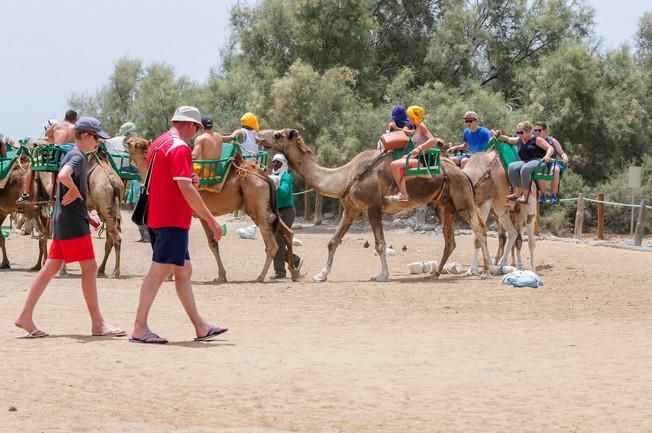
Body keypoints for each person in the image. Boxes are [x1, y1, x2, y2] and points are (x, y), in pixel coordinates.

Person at [15, 117, 124, 338]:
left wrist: (87, 213)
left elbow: (64, 183)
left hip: (66, 219)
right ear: (84, 135)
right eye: (95, 137)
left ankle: (25, 316)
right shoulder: (78, 156)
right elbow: (64, 177)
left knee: (50, 269)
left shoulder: (72, 155)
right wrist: (74, 191)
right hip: (72, 222)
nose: (97, 142)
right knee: (90, 268)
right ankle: (98, 324)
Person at [130, 106, 227, 344]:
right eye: (195, 128)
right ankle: (139, 328)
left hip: (160, 217)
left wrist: (189, 179)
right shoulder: (179, 147)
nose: (194, 133)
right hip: (171, 219)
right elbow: (186, 188)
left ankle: (200, 326)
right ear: (191, 125)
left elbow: (173, 179)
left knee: (184, 270)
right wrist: (211, 219)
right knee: (158, 272)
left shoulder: (160, 143)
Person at [17, 110, 78, 203]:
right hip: (72, 155)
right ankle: (57, 193)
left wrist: (55, 140)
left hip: (57, 155)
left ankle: (26, 193)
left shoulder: (56, 126)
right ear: (74, 119)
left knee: (33, 166)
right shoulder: (76, 128)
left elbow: (47, 134)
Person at [386, 105, 438, 202]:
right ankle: (401, 192)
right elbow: (409, 133)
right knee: (399, 161)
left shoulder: (422, 126)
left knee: (394, 165)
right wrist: (397, 129)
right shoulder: (416, 127)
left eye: (409, 116)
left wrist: (419, 148)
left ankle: (404, 194)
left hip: (422, 160)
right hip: (417, 157)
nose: (408, 118)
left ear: (414, 116)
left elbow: (432, 140)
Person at [496, 121, 554, 203]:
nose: (519, 134)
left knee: (525, 169)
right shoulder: (520, 140)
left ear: (528, 131)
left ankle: (525, 195)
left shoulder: (536, 139)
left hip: (538, 161)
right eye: (517, 132)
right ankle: (516, 192)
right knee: (512, 167)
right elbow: (508, 139)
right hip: (526, 161)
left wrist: (547, 156)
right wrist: (499, 135)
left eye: (521, 132)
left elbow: (550, 148)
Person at [269, 153, 303, 280]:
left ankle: (280, 272)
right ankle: (294, 260)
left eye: (278, 163)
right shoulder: (274, 177)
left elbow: (283, 193)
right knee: (276, 241)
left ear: (283, 164)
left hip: (287, 212)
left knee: (278, 240)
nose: (275, 165)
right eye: (274, 162)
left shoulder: (286, 177)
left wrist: (274, 184)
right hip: (277, 211)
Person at [534, 121, 569, 204]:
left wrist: (565, 157)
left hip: (553, 162)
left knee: (555, 169)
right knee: (540, 168)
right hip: (541, 163)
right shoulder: (534, 141)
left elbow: (561, 153)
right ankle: (543, 194)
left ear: (545, 131)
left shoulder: (552, 141)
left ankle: (554, 194)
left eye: (539, 130)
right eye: (535, 130)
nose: (537, 132)